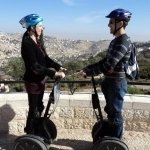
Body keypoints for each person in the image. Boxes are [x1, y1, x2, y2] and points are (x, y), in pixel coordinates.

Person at [80, 8, 132, 139]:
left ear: (120, 23)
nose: (108, 25)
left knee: (115, 115)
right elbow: (105, 61)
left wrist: (90, 73)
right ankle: (110, 138)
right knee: (110, 112)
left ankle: (115, 142)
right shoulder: (115, 40)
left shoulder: (123, 41)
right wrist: (87, 68)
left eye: (111, 22)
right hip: (110, 82)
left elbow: (110, 64)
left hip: (117, 84)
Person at [19, 14, 66, 134]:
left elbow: (45, 59)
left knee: (39, 106)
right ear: (32, 27)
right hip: (33, 81)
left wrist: (58, 66)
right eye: (40, 26)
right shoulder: (27, 43)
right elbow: (35, 66)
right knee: (34, 108)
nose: (42, 28)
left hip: (40, 80)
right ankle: (30, 132)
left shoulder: (37, 41)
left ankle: (36, 130)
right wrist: (53, 74)